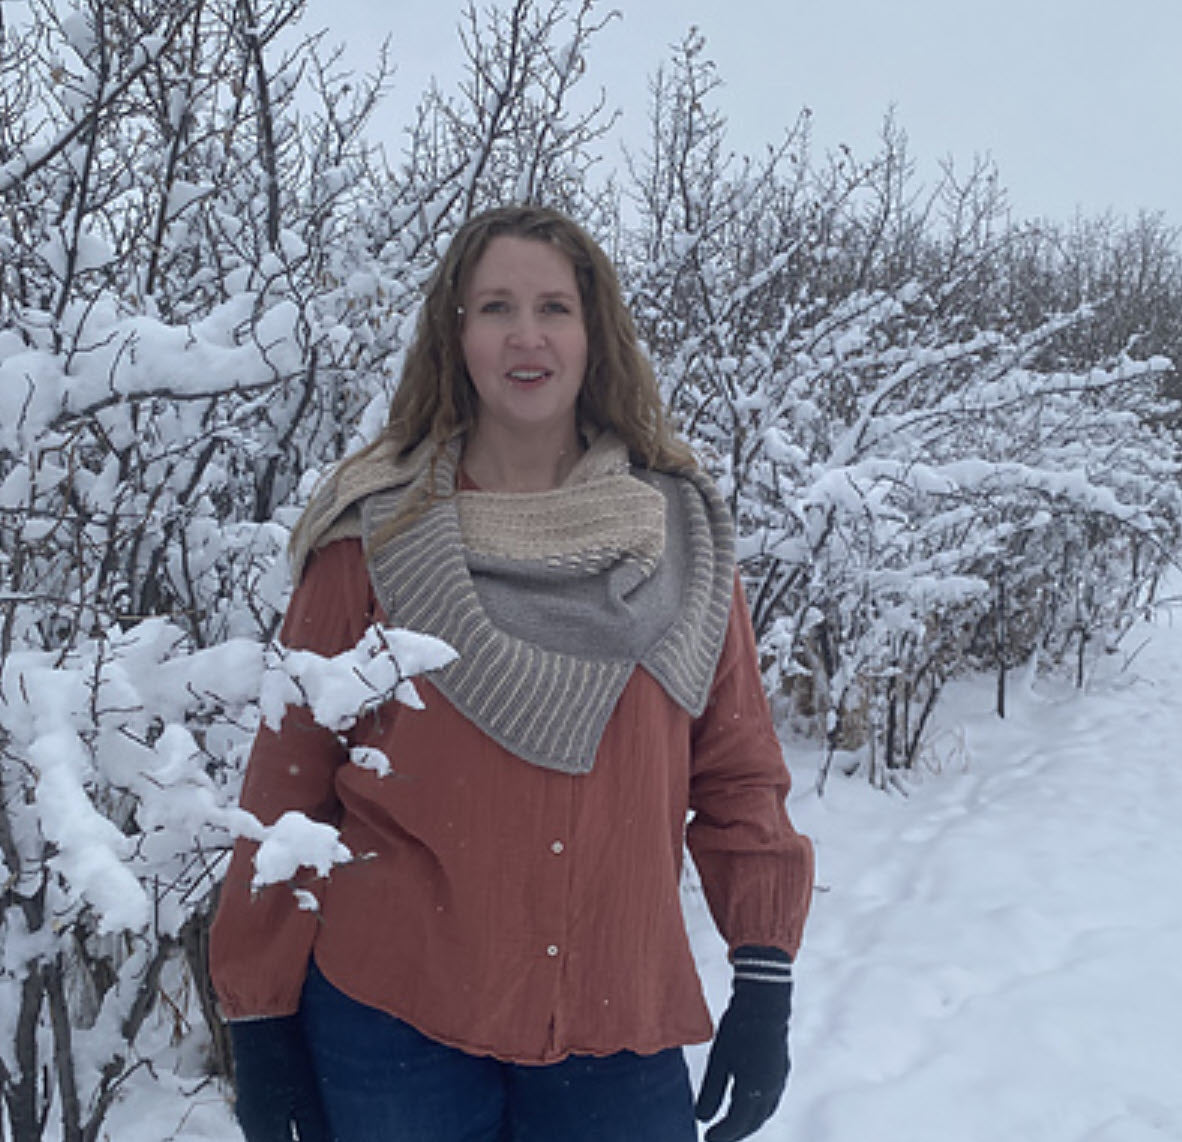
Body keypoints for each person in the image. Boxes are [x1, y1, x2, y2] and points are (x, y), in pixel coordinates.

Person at [210, 204, 815, 1142]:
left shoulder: (683, 540)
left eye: (553, 308)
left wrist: (764, 976)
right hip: (392, 1022)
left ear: (594, 332)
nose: (526, 337)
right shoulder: (374, 536)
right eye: (495, 307)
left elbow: (736, 773)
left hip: (617, 1022)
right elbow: (290, 784)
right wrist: (261, 1018)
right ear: (456, 335)